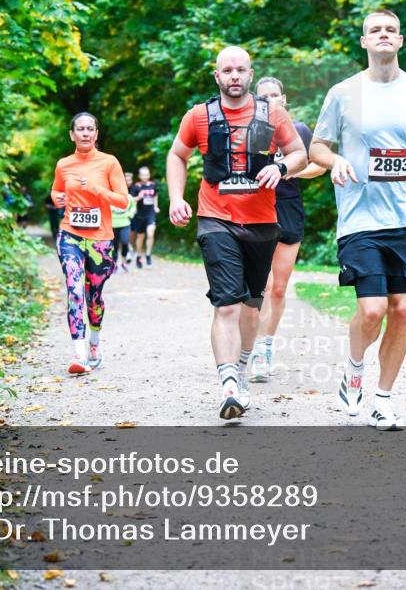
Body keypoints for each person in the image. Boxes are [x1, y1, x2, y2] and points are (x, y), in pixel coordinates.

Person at [308, 10, 406, 430]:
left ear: (401, 40)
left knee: (402, 310)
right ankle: (354, 370)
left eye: (391, 29)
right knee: (372, 310)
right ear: (364, 42)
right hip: (360, 218)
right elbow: (317, 147)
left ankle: (383, 399)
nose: (384, 35)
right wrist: (335, 160)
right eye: (375, 30)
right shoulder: (344, 93)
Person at [167, 46, 307, 420]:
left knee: (251, 305)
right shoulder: (199, 116)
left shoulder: (272, 114)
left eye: (240, 70)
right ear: (217, 76)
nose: (234, 76)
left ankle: (241, 370)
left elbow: (300, 154)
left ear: (250, 75)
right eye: (227, 70)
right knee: (227, 303)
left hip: (262, 222)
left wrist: (281, 167)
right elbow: (177, 155)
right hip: (215, 218)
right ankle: (229, 384)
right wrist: (176, 198)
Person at [247, 77, 326, 382]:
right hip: (257, 209)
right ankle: (252, 347)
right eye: (263, 96)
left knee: (278, 287)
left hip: (289, 208)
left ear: (284, 98)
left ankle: (266, 346)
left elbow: (319, 165)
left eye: (274, 95)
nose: (269, 100)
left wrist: (289, 172)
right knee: (262, 285)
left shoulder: (300, 130)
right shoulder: (251, 132)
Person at [51, 112, 131, 375]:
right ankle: (79, 355)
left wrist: (95, 189)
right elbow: (56, 189)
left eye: (90, 129)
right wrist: (57, 198)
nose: (85, 133)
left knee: (93, 297)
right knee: (74, 291)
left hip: (100, 240)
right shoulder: (64, 164)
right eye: (80, 129)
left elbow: (123, 201)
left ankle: (94, 342)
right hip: (70, 235)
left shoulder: (109, 163)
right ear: (71, 135)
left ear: (96, 134)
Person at [130, 166, 159, 268]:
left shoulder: (153, 185)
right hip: (140, 215)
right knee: (140, 237)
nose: (145, 176)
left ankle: (148, 255)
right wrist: (139, 197)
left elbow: (155, 195)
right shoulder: (136, 186)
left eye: (147, 174)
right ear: (139, 176)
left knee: (150, 234)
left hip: (150, 213)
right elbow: (132, 199)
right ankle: (138, 255)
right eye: (143, 175)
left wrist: (156, 206)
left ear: (149, 175)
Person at [111, 171, 137, 273]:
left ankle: (123, 263)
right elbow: (106, 207)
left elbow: (133, 208)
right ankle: (115, 265)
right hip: (113, 224)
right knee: (115, 246)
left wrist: (130, 214)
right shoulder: (111, 196)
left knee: (125, 242)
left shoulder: (128, 197)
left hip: (125, 223)